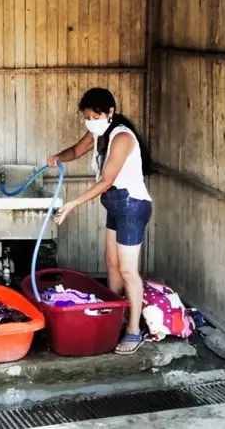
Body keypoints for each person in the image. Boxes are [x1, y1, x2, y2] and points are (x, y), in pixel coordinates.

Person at [47, 87, 153, 355]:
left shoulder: (121, 137)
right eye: (87, 116)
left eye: (95, 115)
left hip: (132, 206)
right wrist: (58, 157)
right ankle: (113, 315)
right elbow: (76, 150)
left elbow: (106, 181)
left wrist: (73, 204)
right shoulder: (98, 132)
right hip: (116, 205)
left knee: (128, 270)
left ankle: (133, 330)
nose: (90, 120)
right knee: (111, 263)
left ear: (110, 113)